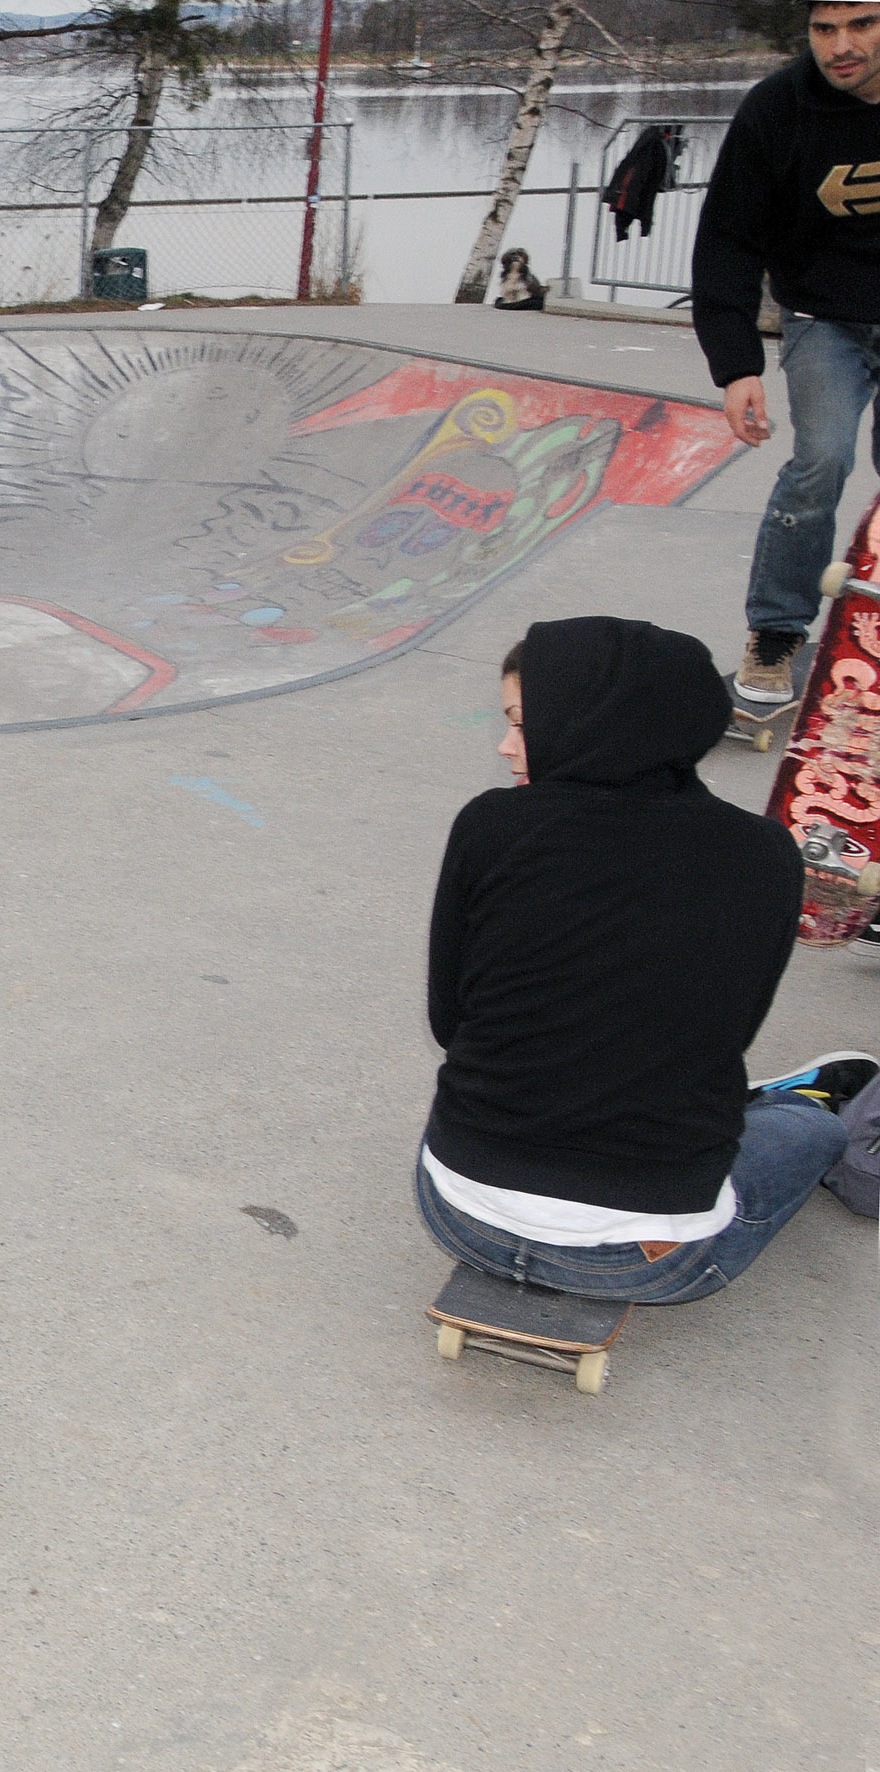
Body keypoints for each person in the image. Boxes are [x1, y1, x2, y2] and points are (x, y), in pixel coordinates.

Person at [415, 616, 869, 1303]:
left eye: (522, 724)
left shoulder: (491, 825)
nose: (507, 746)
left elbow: (451, 1023)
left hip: (459, 1210)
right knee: (809, 1129)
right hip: (651, 1258)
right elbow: (728, 1031)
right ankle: (786, 1104)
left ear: (590, 721)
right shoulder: (764, 854)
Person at [691, 0, 880, 704]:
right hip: (822, 317)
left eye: (862, 24)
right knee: (821, 461)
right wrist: (736, 363)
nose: (841, 46)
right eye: (825, 30)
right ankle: (776, 631)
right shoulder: (779, 108)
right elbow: (728, 236)